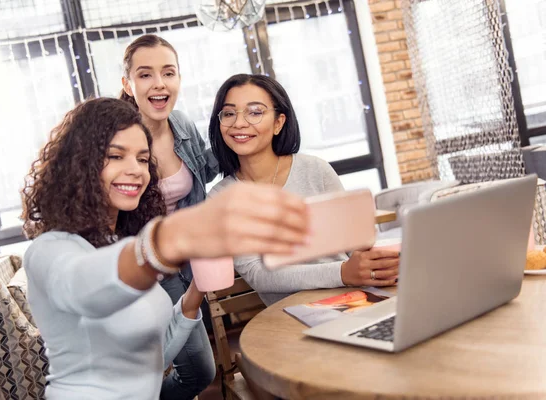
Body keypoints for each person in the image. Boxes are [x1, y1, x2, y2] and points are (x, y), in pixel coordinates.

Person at [21, 97, 309, 399]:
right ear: (79, 164)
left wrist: (194, 293)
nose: (136, 170)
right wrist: (175, 235)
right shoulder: (48, 250)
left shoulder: (120, 242)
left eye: (143, 159)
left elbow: (152, 357)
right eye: (115, 156)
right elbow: (87, 289)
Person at [208, 74, 399, 306]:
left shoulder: (315, 169)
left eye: (255, 112)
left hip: (355, 299)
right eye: (229, 113)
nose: (239, 123)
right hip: (289, 313)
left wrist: (374, 264)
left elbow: (356, 246)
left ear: (279, 122)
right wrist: (342, 273)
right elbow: (259, 275)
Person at [119, 34, 218, 398]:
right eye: (145, 75)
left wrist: (240, 140)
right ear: (128, 85)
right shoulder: (119, 139)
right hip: (148, 265)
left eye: (168, 73)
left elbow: (201, 174)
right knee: (199, 371)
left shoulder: (182, 125)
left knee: (193, 367)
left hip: (187, 259)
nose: (159, 83)